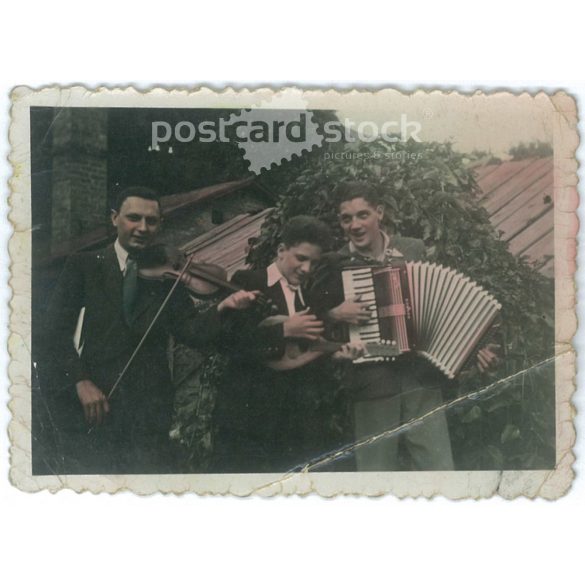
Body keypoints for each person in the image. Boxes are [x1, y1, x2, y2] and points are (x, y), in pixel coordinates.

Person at [42, 186, 257, 474]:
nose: (143, 228)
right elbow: (52, 334)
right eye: (133, 218)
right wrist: (80, 381)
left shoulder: (168, 276)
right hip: (93, 402)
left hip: (149, 410)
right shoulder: (84, 266)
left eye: (152, 221)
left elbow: (192, 332)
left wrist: (224, 307)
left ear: (160, 224)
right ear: (114, 218)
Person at [310, 182, 498, 471]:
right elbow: (311, 321)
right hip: (371, 382)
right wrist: (335, 313)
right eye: (346, 218)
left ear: (379, 213)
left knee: (439, 470)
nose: (355, 225)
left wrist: (476, 348)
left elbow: (442, 304)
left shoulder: (412, 249)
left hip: (420, 378)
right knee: (375, 473)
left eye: (363, 215)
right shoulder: (336, 264)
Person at [213, 215, 363, 473]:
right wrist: (284, 329)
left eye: (313, 263)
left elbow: (304, 351)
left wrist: (335, 356)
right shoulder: (248, 281)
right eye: (300, 258)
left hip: (297, 421)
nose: (306, 269)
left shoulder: (312, 292)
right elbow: (231, 344)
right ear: (281, 250)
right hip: (251, 418)